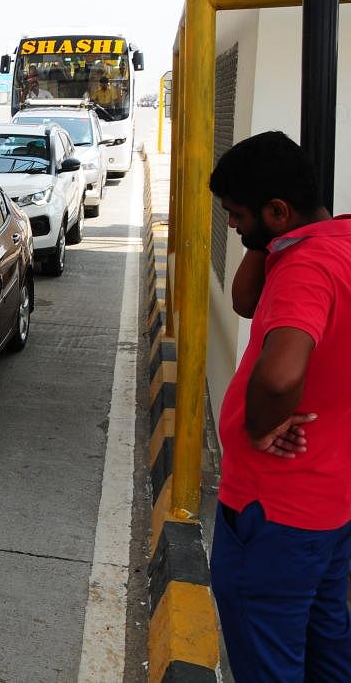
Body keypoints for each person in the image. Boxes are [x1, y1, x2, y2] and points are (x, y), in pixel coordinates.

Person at [207, 130, 351, 680]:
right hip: (328, 508)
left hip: (274, 514)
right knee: (325, 650)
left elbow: (280, 375)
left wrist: (259, 427)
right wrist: (265, 241)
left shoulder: (306, 270)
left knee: (270, 663)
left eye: (238, 215)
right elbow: (247, 302)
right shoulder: (331, 242)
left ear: (277, 209)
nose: (234, 226)